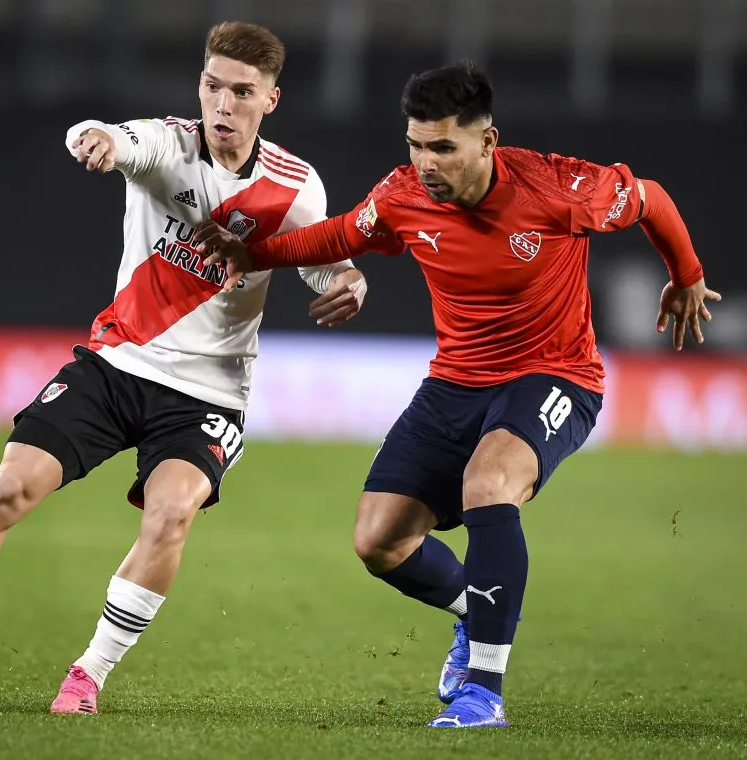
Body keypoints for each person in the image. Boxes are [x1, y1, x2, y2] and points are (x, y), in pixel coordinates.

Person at [193, 61, 720, 728]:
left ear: (487, 142)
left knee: (489, 480)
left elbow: (649, 197)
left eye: (443, 147)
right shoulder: (405, 194)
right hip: (454, 383)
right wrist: (255, 254)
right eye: (415, 145)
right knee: (378, 541)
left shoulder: (559, 187)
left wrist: (687, 275)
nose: (427, 163)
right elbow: (343, 232)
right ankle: (482, 610)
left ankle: (484, 693)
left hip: (554, 375)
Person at [0, 21, 366, 716]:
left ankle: (87, 675)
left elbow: (318, 259)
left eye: (241, 92)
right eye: (212, 86)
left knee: (170, 516)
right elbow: (108, 134)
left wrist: (348, 283)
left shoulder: (295, 186)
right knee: (10, 489)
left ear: (270, 101)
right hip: (116, 363)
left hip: (208, 393)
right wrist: (92, 139)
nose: (223, 104)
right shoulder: (167, 144)